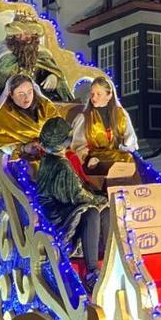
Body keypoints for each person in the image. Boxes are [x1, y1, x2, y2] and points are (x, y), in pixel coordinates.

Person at [34, 118, 110, 290]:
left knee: (104, 211)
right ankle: (92, 271)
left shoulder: (51, 159)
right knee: (92, 211)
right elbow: (77, 195)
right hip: (56, 214)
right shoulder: (60, 165)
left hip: (60, 206)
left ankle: (106, 260)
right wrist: (100, 199)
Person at [0, 12, 73, 130]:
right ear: (13, 35)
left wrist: (53, 76)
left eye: (27, 33)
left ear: (34, 35)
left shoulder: (42, 53)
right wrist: (14, 85)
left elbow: (52, 71)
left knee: (54, 112)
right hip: (8, 99)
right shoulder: (2, 51)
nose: (23, 38)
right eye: (19, 34)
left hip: (37, 98)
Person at [71, 76, 139, 177]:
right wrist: (87, 158)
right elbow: (78, 146)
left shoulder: (121, 114)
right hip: (95, 159)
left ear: (109, 95)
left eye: (98, 94)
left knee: (129, 160)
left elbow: (130, 138)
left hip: (119, 155)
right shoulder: (84, 118)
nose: (94, 98)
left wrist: (127, 144)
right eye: (92, 94)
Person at [0, 74, 63, 160]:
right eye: (21, 94)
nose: (27, 97)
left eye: (30, 92)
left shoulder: (45, 105)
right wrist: (23, 148)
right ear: (11, 95)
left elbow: (59, 127)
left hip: (51, 153)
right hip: (23, 158)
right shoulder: (3, 114)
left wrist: (49, 145)